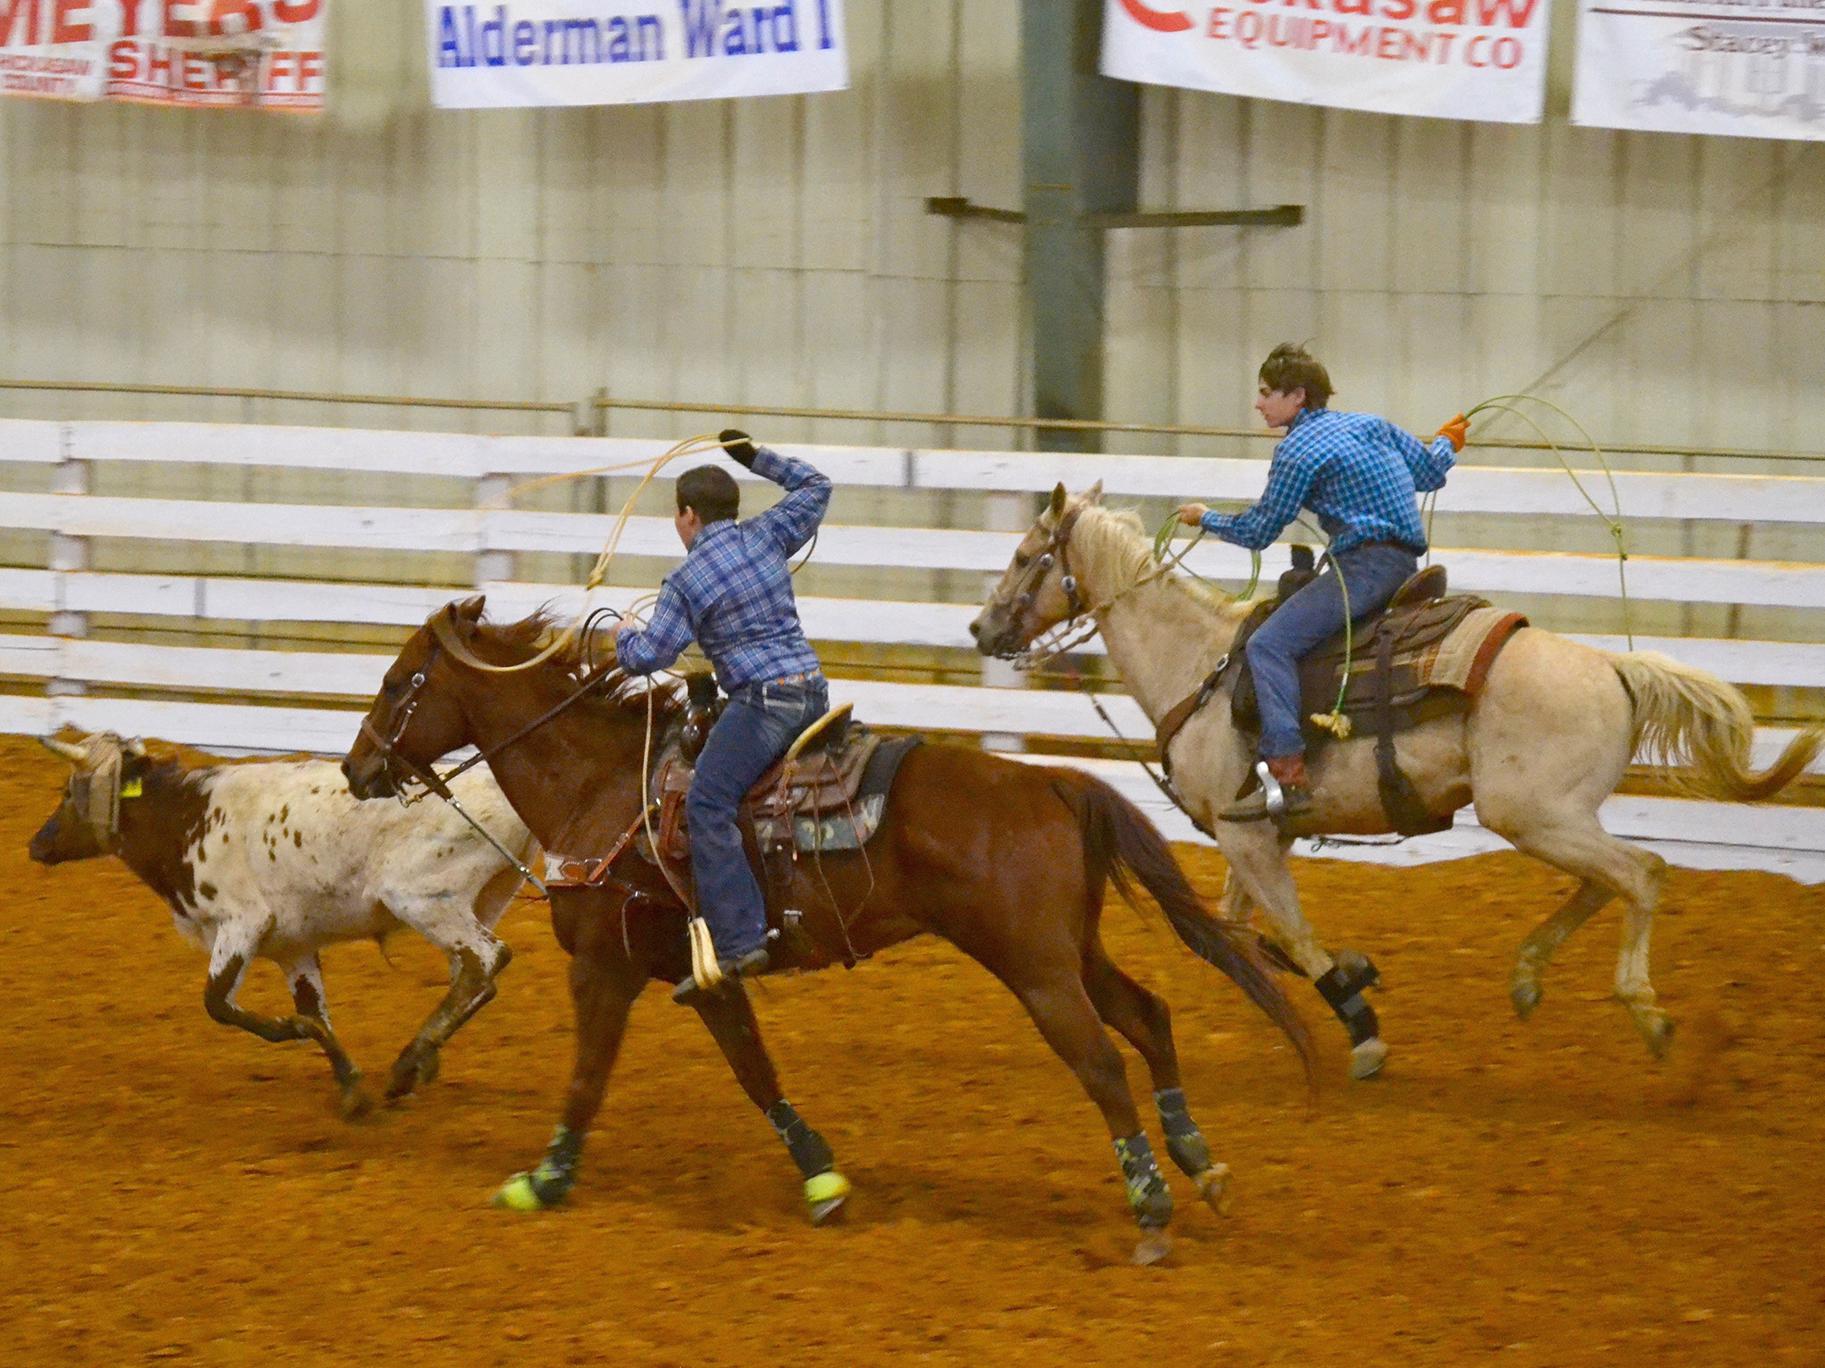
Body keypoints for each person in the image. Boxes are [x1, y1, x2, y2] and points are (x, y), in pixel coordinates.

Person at [1174, 343, 1469, 822]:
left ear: (1298, 397)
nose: (1259, 403)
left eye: (1267, 393)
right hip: (1401, 566)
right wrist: (1445, 443)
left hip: (1362, 568)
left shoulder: (1296, 450)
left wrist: (1204, 517)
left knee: (1269, 645)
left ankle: (1287, 771)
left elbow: (1260, 530)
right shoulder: (1370, 424)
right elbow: (1432, 474)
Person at [616, 429, 832, 990]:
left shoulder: (687, 580)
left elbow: (648, 657)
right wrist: (757, 457)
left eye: (676, 515)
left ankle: (739, 941)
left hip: (764, 705)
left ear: (688, 515)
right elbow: (815, 484)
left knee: (708, 799)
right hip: (812, 690)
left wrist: (622, 634)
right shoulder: (765, 536)